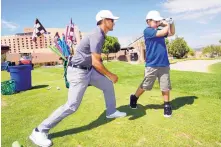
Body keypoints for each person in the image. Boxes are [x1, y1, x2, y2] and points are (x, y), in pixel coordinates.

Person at [29, 10, 127, 147]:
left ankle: (111, 111)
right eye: (111, 20)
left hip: (88, 70)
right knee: (72, 105)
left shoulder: (100, 35)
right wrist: (111, 75)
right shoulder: (97, 35)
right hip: (78, 72)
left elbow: (94, 60)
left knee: (107, 85)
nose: (114, 22)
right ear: (104, 20)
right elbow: (96, 62)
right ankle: (39, 130)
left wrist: (106, 75)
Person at [129, 10, 175, 118]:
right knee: (146, 85)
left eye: (158, 21)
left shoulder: (159, 29)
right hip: (151, 64)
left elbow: (171, 33)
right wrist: (166, 24)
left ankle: (167, 106)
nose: (157, 23)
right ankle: (134, 97)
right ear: (148, 21)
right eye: (155, 21)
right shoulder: (148, 31)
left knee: (165, 85)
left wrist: (171, 23)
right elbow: (163, 32)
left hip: (164, 63)